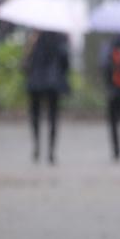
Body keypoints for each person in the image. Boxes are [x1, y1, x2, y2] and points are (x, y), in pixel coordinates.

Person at [23, 30, 70, 164]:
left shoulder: (34, 37)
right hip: (53, 82)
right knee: (53, 118)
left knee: (35, 116)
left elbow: (26, 63)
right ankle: (51, 151)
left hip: (35, 82)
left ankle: (37, 146)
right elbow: (65, 60)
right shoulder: (60, 37)